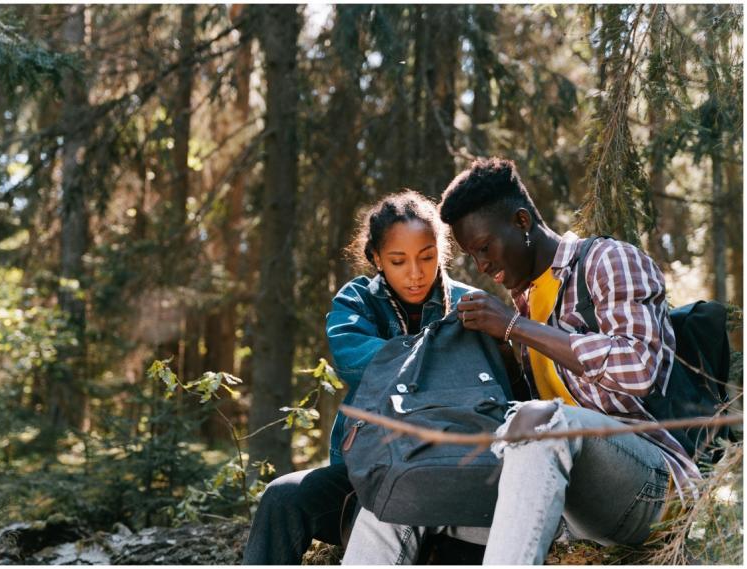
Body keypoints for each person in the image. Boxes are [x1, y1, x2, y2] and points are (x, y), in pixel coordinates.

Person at [341, 157, 701, 565]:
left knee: (543, 420)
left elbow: (638, 368)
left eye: (485, 248)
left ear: (522, 221)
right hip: (557, 499)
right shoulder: (524, 304)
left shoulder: (606, 261)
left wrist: (515, 328)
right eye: (472, 257)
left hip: (648, 488)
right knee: (399, 488)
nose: (483, 266)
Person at [242, 190, 477, 564]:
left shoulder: (470, 306)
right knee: (282, 497)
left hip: (448, 477)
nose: (415, 273)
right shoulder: (355, 301)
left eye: (427, 257)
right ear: (376, 259)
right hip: (362, 476)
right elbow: (355, 362)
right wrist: (441, 358)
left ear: (442, 251)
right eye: (399, 261)